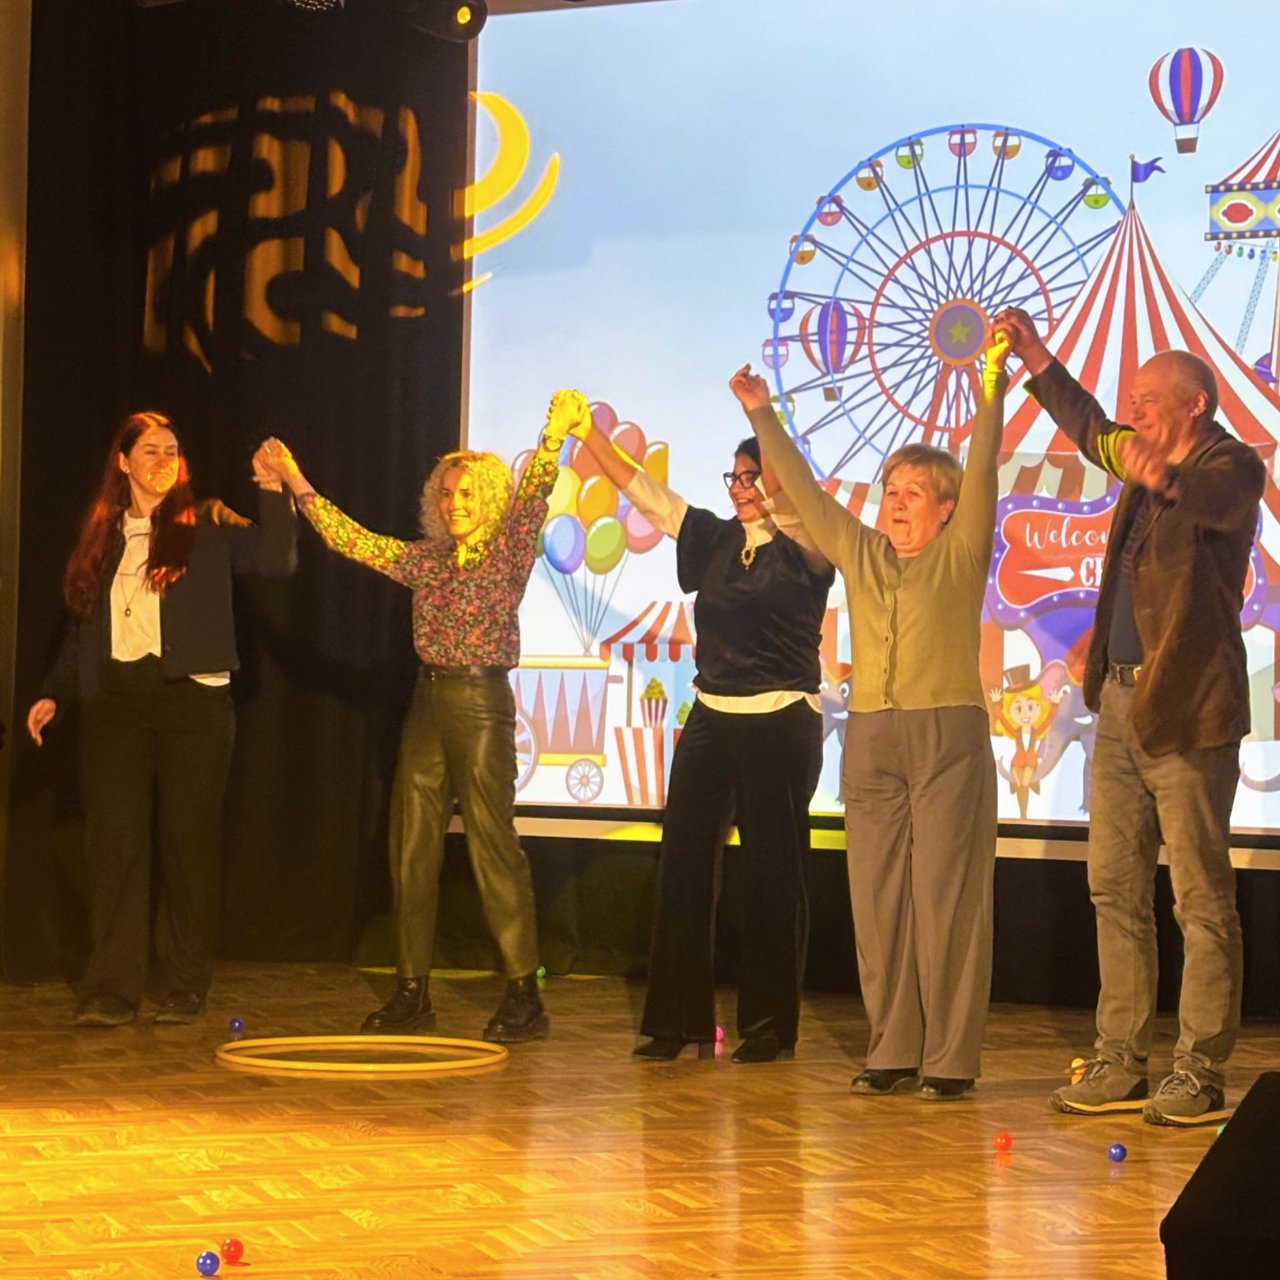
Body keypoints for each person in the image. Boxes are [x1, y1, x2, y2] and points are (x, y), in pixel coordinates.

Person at [994, 307, 1265, 1126]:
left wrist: (1159, 471)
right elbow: (1088, 425)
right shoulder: (1138, 458)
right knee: (1113, 887)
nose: (1132, 412)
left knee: (1199, 898)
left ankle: (1200, 1071)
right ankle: (1121, 1061)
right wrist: (1037, 357)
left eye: (1147, 401)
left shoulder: (1230, 466)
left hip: (1187, 709)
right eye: (1132, 402)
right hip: (1115, 702)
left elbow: (1205, 493)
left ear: (1195, 404)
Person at [729, 340, 1008, 1100]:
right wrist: (761, 413)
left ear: (947, 509)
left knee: (947, 900)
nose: (897, 501)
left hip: (947, 736)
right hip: (873, 738)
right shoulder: (861, 551)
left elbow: (983, 466)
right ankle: (892, 1048)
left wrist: (991, 384)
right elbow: (807, 493)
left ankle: (949, 1059)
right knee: (877, 901)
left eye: (915, 491)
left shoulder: (961, 552)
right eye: (891, 489)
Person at [257, 393, 582, 1043]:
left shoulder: (507, 552)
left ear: (489, 500)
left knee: (492, 844)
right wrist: (295, 480)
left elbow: (534, 496)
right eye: (447, 494)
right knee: (410, 845)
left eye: (468, 495)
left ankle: (523, 993)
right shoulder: (426, 560)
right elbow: (352, 541)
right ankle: (412, 991)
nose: (455, 504)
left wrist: (554, 435)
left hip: (481, 704)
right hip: (427, 703)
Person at [567, 406, 834, 1063]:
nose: (743, 487)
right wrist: (586, 433)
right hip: (713, 717)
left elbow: (793, 504)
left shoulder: (810, 548)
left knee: (773, 875)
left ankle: (768, 1027)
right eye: (736, 476)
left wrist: (760, 416)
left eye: (755, 476)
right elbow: (643, 491)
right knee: (684, 866)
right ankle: (674, 1022)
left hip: (782, 720)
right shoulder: (713, 538)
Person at [27, 412, 297, 1027]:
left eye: (171, 450)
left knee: (186, 843)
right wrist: (55, 694)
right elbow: (83, 626)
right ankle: (112, 990)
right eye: (149, 450)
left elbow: (274, 560)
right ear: (123, 462)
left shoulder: (204, 524)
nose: (162, 460)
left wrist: (272, 490)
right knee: (115, 846)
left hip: (191, 702)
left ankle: (183, 983)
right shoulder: (104, 536)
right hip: (116, 703)